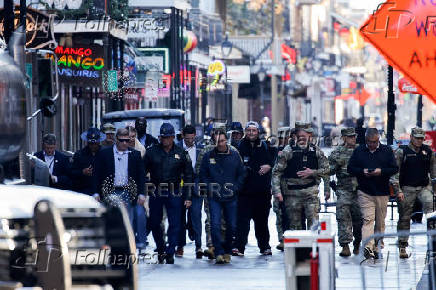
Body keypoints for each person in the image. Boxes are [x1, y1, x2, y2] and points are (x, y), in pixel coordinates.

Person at [144, 123, 194, 264]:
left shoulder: (181, 153)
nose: (165, 140)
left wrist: (188, 196)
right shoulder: (151, 152)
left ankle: (171, 251)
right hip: (156, 191)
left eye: (168, 137)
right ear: (159, 137)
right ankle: (160, 248)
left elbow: (189, 176)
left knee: (175, 222)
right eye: (163, 137)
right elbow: (141, 171)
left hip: (175, 191)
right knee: (154, 222)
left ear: (173, 137)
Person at [347, 128, 398, 260]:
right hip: (365, 191)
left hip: (382, 192)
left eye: (374, 142)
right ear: (365, 140)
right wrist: (362, 171)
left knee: (380, 222)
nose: (372, 145)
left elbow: (394, 168)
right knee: (368, 219)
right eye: (369, 142)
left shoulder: (386, 151)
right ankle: (368, 247)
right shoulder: (359, 151)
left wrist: (380, 171)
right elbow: (350, 168)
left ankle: (377, 246)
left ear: (378, 140)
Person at [272, 123, 330, 231]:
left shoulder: (316, 151)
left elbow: (327, 170)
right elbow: (276, 172)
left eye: (306, 135)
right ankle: (298, 248)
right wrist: (277, 192)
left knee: (314, 224)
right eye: (300, 135)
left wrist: (313, 172)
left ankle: (313, 247)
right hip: (292, 195)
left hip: (310, 193)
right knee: (295, 227)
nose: (302, 138)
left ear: (310, 136)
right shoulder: (287, 151)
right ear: (295, 136)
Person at [199, 131, 245, 264]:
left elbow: (241, 173)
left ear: (227, 140)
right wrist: (210, 188)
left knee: (231, 225)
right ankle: (218, 251)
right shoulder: (208, 156)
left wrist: (235, 188)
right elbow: (203, 175)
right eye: (218, 141)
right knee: (215, 224)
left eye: (223, 141)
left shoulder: (234, 155)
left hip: (231, 196)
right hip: (214, 196)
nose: (220, 144)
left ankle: (227, 250)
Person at [391, 127, 436, 259]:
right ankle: (402, 245)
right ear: (411, 137)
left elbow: (434, 174)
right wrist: (398, 190)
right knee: (404, 217)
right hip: (407, 188)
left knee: (432, 213)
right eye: (416, 138)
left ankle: (433, 244)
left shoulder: (428, 152)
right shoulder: (401, 152)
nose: (419, 140)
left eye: (421, 138)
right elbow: (395, 174)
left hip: (424, 187)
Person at [234, 121, 274, 256]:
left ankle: (265, 247)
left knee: (262, 222)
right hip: (244, 192)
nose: (251, 133)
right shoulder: (239, 147)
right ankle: (239, 247)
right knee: (242, 222)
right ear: (246, 132)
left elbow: (274, 162)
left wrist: (269, 166)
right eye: (249, 130)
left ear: (258, 132)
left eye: (254, 130)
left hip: (262, 192)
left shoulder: (265, 146)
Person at [93, 128, 145, 223]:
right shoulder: (104, 154)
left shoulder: (135, 154)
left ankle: (129, 237)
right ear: (116, 139)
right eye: (122, 140)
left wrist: (142, 193)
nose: (124, 143)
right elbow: (97, 174)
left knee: (128, 220)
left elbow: (141, 175)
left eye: (127, 140)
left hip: (127, 191)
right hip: (110, 190)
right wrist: (96, 192)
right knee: (111, 219)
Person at [328, 128, 362, 257]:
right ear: (343, 138)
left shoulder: (361, 151)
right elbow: (329, 171)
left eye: (354, 136)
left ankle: (358, 243)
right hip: (343, 189)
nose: (352, 139)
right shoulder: (337, 153)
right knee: (343, 218)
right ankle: (345, 245)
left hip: (360, 190)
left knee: (359, 220)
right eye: (349, 137)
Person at [176, 124, 204, 259]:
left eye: (192, 138)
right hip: (181, 187)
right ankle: (180, 246)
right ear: (183, 136)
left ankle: (199, 246)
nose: (190, 141)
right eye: (187, 139)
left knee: (196, 216)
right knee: (179, 217)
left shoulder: (200, 149)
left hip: (197, 188)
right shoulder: (176, 148)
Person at [126, 126, 147, 250]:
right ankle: (131, 240)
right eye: (129, 137)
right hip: (124, 188)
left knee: (140, 214)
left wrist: (142, 192)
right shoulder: (119, 150)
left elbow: (142, 173)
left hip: (138, 188)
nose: (131, 140)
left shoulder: (140, 151)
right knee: (129, 216)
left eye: (133, 137)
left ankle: (142, 241)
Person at [71, 128, 105, 195]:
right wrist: (82, 172)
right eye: (91, 144)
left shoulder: (105, 154)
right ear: (87, 142)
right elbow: (71, 172)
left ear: (99, 142)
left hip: (102, 191)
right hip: (84, 191)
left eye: (95, 143)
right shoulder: (79, 154)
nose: (93, 146)